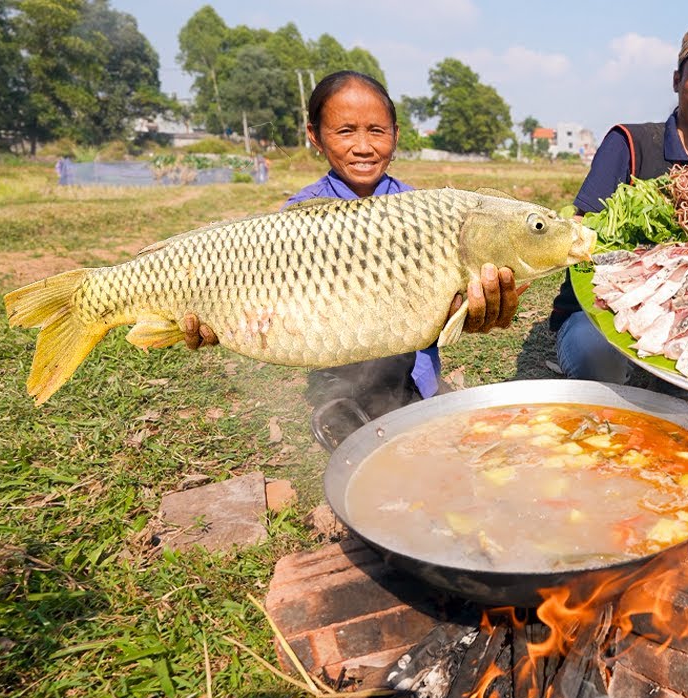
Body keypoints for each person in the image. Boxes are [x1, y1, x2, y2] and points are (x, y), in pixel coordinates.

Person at [182, 70, 522, 441]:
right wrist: (229, 320)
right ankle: (341, 416)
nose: (363, 146)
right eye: (345, 131)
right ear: (315, 136)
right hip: (338, 379)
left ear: (396, 135)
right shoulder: (298, 218)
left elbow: (455, 303)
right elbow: (274, 308)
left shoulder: (425, 211)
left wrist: (476, 311)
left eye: (377, 131)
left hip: (418, 378)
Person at [548, 19, 688, 383]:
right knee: (598, 357)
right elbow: (580, 233)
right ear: (677, 80)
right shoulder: (629, 143)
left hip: (686, 325)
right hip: (599, 316)